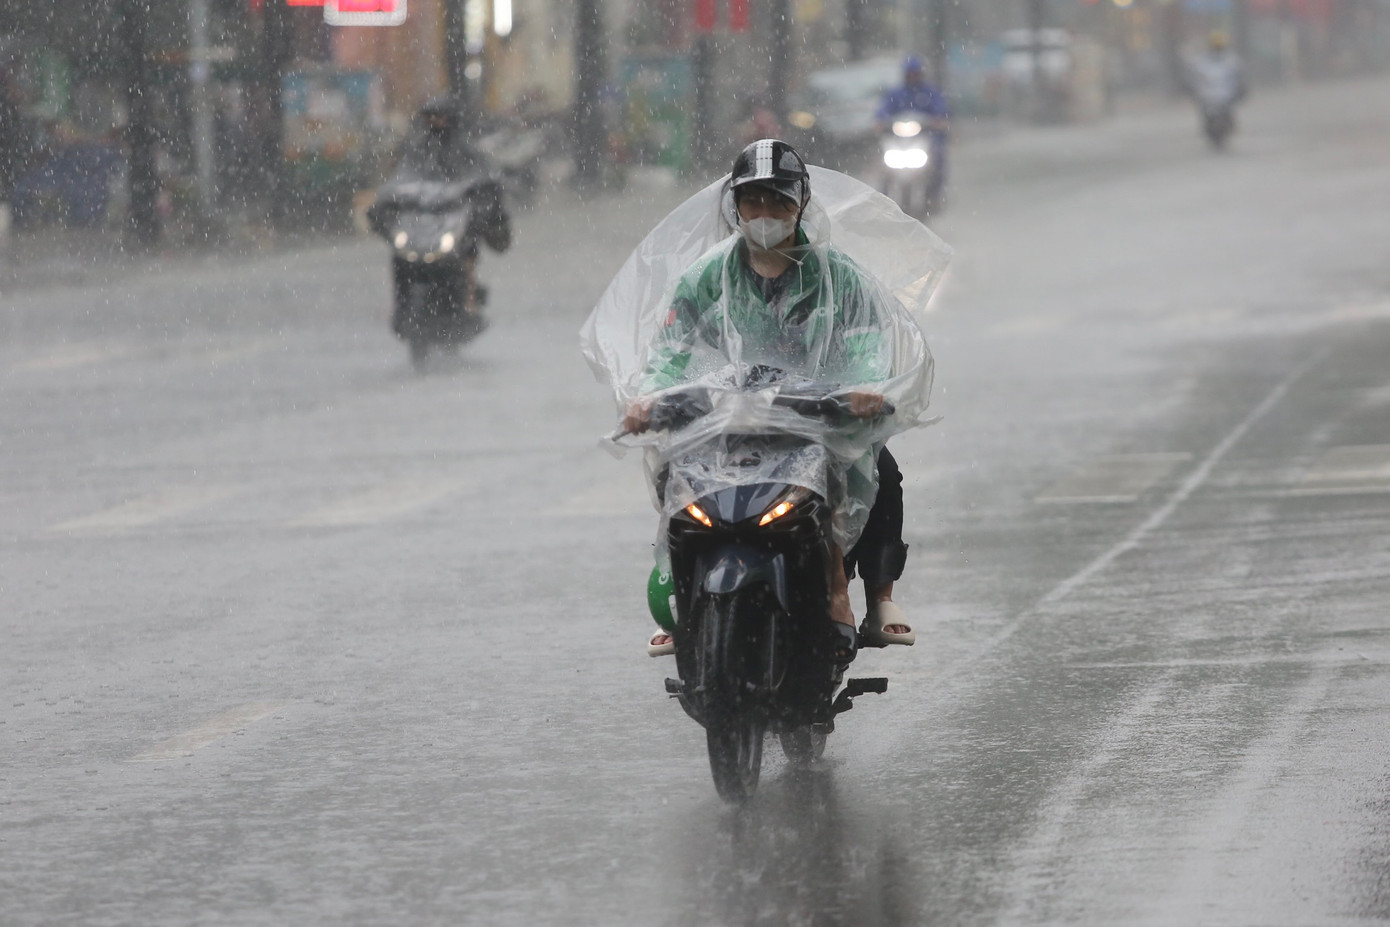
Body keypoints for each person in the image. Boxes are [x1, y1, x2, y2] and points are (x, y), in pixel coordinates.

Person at [624, 139, 919, 660]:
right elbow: (669, 350)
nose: (765, 213)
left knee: (883, 470)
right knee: (675, 470)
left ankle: (871, 597)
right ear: (735, 206)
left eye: (779, 200)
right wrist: (647, 398)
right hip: (730, 417)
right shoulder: (706, 276)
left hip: (817, 417)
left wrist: (869, 390)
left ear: (801, 203)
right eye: (753, 200)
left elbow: (869, 346)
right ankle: (683, 596)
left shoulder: (839, 276)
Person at [368, 96, 511, 334]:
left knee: (466, 252)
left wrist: (484, 202)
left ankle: (469, 302)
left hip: (453, 221)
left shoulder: (466, 151)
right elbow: (399, 180)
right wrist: (384, 203)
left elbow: (484, 180)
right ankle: (401, 308)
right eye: (429, 117)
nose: (434, 122)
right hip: (421, 222)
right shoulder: (414, 150)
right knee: (399, 258)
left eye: (438, 117)